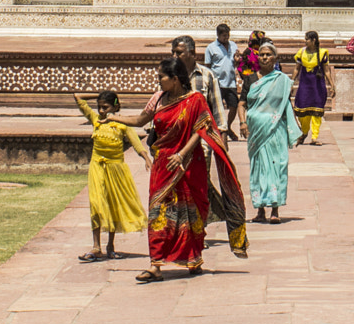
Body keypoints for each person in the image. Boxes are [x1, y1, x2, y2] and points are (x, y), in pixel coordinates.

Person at [131, 56, 248, 282]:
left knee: (191, 210)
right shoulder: (158, 99)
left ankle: (193, 258)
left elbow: (202, 127)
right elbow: (139, 120)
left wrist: (182, 154)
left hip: (188, 163)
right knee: (158, 212)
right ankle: (156, 264)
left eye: (161, 77)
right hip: (163, 165)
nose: (158, 81)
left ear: (175, 79)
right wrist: (110, 118)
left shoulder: (195, 99)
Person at [74, 90, 149, 261]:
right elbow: (77, 97)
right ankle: (96, 247)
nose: (101, 111)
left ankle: (110, 246)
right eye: (99, 107)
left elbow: (135, 141)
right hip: (97, 166)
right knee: (96, 204)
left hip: (115, 168)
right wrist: (99, 96)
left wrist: (145, 157)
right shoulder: (95, 120)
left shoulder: (122, 124)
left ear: (115, 107)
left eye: (105, 107)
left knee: (112, 206)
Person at [243, 50, 300, 222]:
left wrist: (294, 127)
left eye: (268, 54)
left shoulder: (281, 81)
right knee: (259, 168)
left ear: (275, 58)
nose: (265, 57)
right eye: (262, 54)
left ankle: (275, 209)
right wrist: (242, 122)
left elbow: (286, 105)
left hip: (276, 130)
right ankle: (260, 210)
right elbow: (241, 104)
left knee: (277, 167)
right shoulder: (251, 79)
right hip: (256, 131)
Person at [291, 30, 333, 145]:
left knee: (317, 111)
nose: (305, 41)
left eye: (307, 39)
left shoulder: (322, 53)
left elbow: (326, 71)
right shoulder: (301, 52)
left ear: (313, 40)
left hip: (317, 86)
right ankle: (304, 132)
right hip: (304, 85)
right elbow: (296, 69)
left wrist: (332, 85)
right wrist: (291, 83)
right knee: (302, 111)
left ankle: (314, 137)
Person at [204, 23, 240, 140]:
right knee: (216, 108)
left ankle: (228, 126)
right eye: (224, 35)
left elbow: (236, 63)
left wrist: (237, 61)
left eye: (227, 35)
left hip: (231, 82)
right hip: (217, 82)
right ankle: (219, 129)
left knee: (234, 106)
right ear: (218, 35)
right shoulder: (211, 48)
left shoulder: (233, 45)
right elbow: (208, 66)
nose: (226, 38)